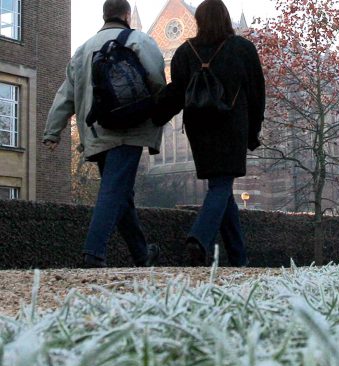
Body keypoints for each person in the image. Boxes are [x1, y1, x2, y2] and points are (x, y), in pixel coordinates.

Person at [42, 0, 165, 268]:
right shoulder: (138, 40)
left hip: (96, 132)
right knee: (113, 190)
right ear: (126, 15)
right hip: (130, 130)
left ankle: (142, 254)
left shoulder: (83, 49)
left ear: (104, 16)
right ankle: (93, 252)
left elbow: (66, 94)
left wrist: (53, 131)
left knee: (121, 193)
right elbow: (157, 80)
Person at [154, 0, 265, 266]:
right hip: (231, 127)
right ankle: (199, 238)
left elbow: (176, 94)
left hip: (199, 129)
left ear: (199, 20)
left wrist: (153, 115)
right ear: (226, 19)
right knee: (221, 185)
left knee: (222, 189)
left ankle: (239, 259)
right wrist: (253, 132)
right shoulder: (242, 49)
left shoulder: (185, 51)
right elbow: (256, 95)